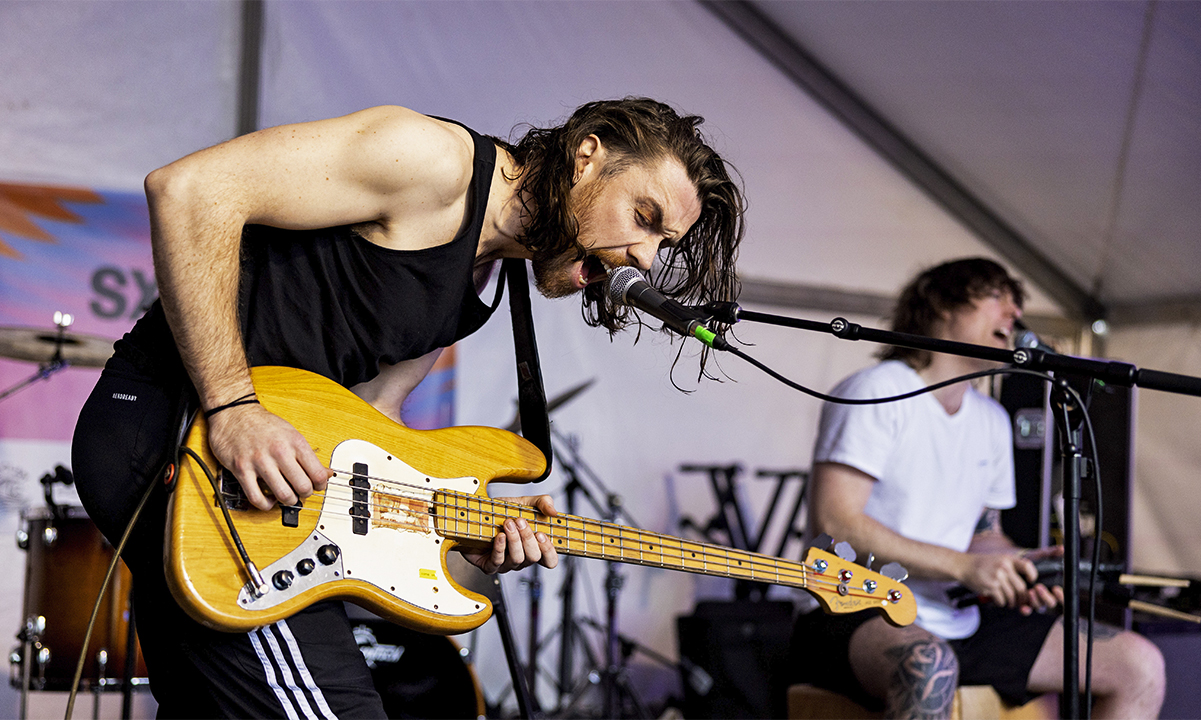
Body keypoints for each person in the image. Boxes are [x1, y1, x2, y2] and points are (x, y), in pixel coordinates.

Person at [71, 98, 744, 718]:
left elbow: (368, 427)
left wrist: (465, 533)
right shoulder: (431, 162)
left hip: (249, 479)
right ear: (588, 155)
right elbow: (191, 190)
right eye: (645, 217)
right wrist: (234, 405)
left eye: (664, 244)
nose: (645, 259)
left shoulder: (481, 275)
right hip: (172, 430)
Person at [793, 258, 1166, 719]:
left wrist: (1017, 564)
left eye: (1017, 305)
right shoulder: (876, 391)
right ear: (940, 307)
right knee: (927, 668)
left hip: (956, 616)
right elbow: (835, 523)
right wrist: (965, 566)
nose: (1013, 315)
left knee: (1139, 666)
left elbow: (982, 533)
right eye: (997, 297)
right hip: (854, 605)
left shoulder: (990, 419)